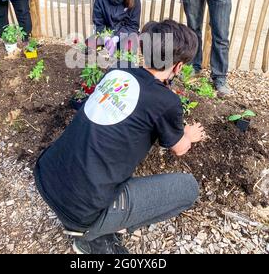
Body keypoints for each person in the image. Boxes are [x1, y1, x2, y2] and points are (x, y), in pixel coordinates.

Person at [34, 19, 205, 254]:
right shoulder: (167, 101)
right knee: (188, 188)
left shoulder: (118, 70)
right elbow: (179, 148)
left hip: (46, 175)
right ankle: (91, 236)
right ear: (177, 67)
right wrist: (188, 134)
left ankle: (96, 223)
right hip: (82, 210)